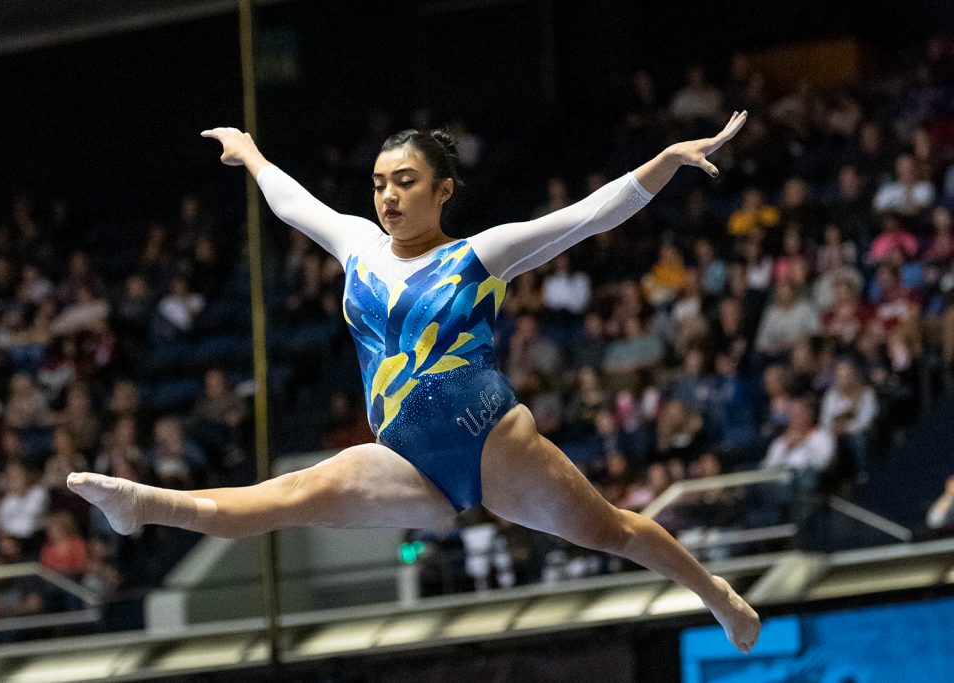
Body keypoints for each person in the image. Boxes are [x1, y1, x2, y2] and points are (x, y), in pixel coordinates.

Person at [68, 111, 760, 652]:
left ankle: (717, 595)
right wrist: (250, 155)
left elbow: (586, 216)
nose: (388, 197)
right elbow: (291, 204)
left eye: (404, 182)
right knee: (294, 492)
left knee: (611, 529)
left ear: (442, 190)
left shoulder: (478, 256)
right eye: (378, 183)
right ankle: (147, 505)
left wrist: (666, 161)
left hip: (491, 439)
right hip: (405, 459)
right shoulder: (357, 246)